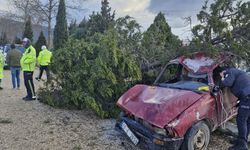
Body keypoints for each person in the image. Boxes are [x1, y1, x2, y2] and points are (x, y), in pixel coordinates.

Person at [220, 68, 250, 150]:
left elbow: (227, 82)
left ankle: (242, 146)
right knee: (247, 121)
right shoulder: (240, 72)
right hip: (247, 97)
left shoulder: (230, 71)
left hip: (247, 98)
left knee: (241, 120)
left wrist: (222, 77)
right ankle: (242, 141)